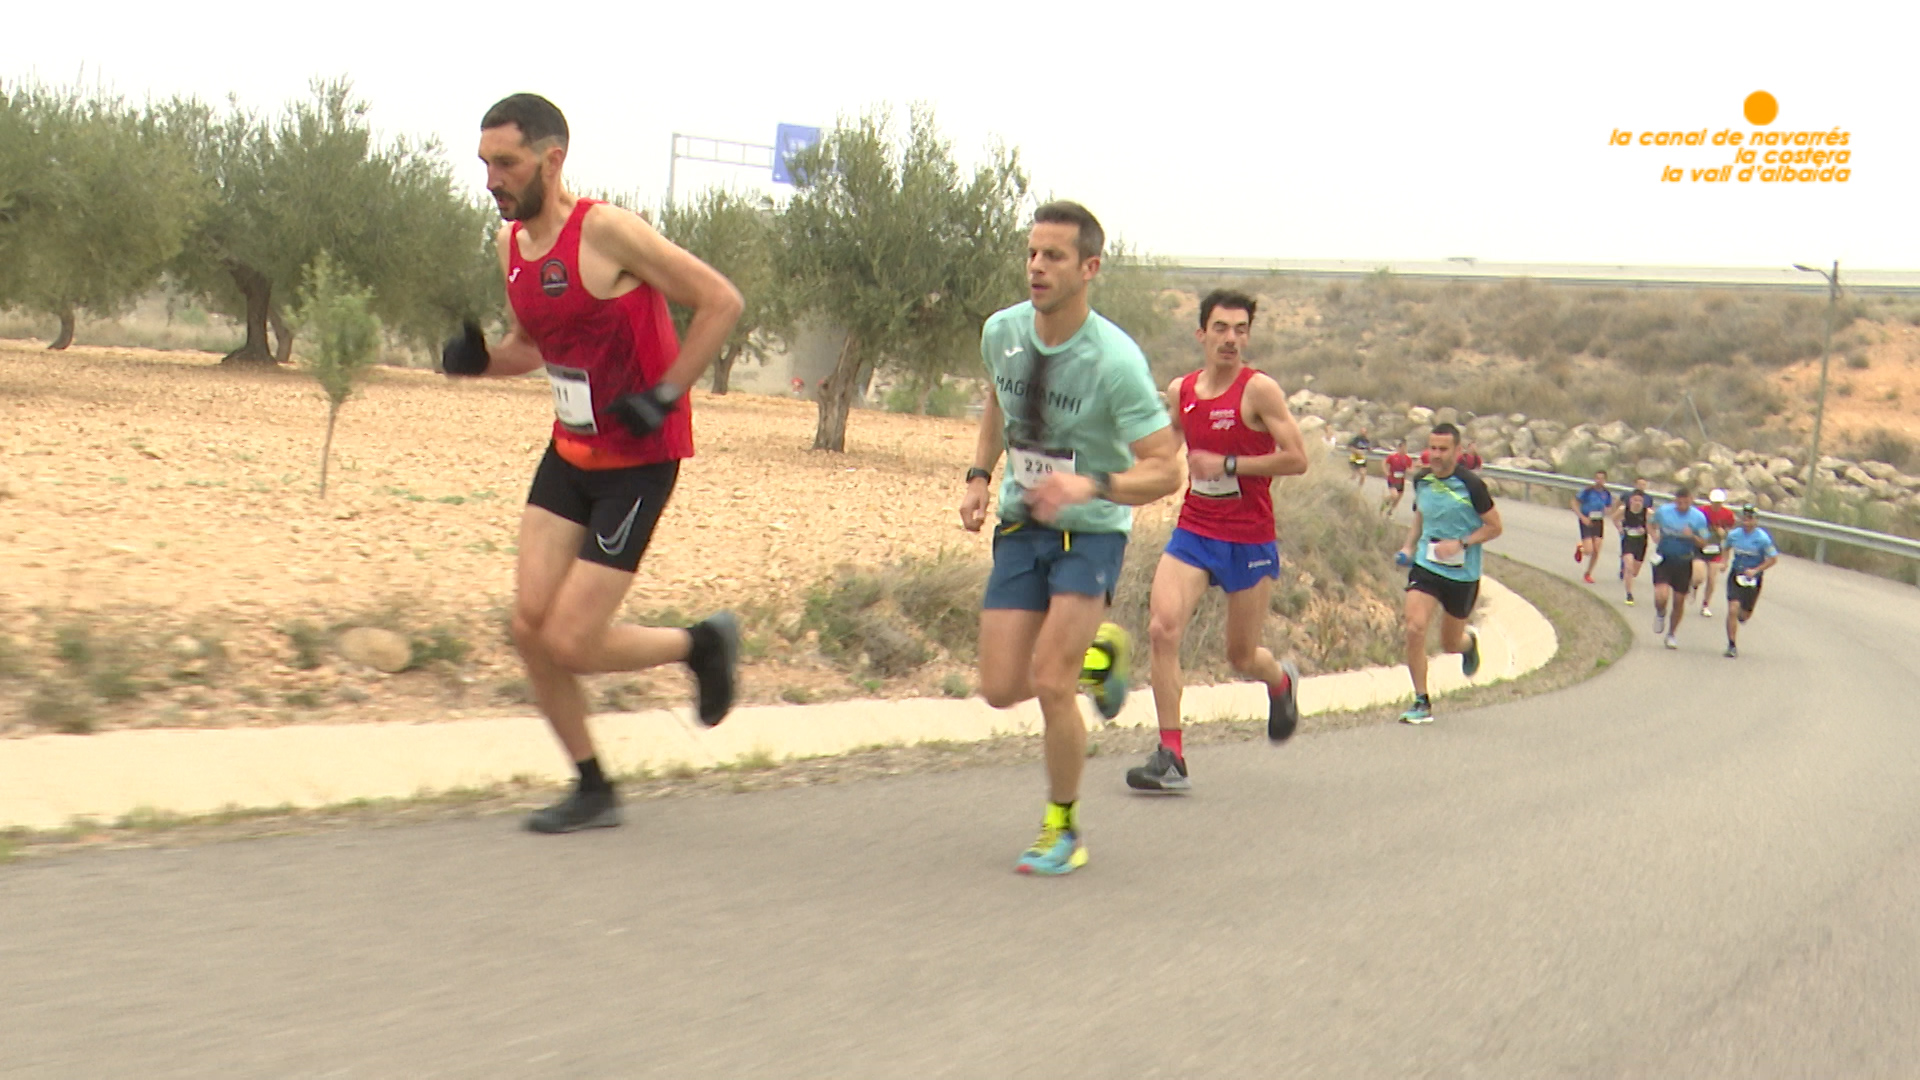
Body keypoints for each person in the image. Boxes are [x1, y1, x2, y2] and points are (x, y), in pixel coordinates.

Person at [439, 94, 745, 833]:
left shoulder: (606, 232)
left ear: (552, 159)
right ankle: (592, 785)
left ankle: (700, 643)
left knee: (571, 640)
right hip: (570, 453)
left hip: (640, 460)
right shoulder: (512, 247)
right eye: (484, 165)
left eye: (506, 164)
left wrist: (666, 392)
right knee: (528, 625)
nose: (492, 181)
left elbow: (721, 302)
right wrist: (481, 363)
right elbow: (532, 347)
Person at [958, 201, 1180, 874]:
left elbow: (1165, 468)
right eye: (1031, 253)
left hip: (1090, 534)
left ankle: (1063, 829)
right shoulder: (1002, 332)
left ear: (1089, 268)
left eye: (1053, 256)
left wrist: (1091, 486)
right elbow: (999, 399)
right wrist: (977, 474)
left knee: (1049, 682)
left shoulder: (1114, 362)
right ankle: (1099, 658)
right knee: (1000, 687)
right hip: (1022, 524)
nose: (1036, 267)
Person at [1126, 289, 1309, 793]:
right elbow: (1167, 450)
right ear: (1201, 333)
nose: (1231, 339)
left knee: (1241, 656)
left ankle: (1281, 681)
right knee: (1162, 629)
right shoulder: (1181, 390)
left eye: (1241, 329)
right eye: (1222, 328)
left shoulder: (1259, 391)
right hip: (1195, 529)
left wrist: (1230, 464)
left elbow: (1297, 459)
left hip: (1249, 537)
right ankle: (1171, 756)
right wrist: (1122, 471)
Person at [1395, 423, 1502, 724]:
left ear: (1457, 451)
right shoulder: (1422, 480)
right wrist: (1408, 546)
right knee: (1415, 627)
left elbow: (1495, 526)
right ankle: (1421, 700)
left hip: (1462, 574)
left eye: (1444, 449)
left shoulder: (1471, 485)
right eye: (1433, 448)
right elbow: (1420, 515)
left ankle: (1468, 644)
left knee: (1449, 644)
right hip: (1427, 567)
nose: (1437, 455)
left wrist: (1461, 543)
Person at [1648, 487, 1710, 649]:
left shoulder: (1698, 518)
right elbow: (1651, 523)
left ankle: (1671, 634)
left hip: (1684, 562)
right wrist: (1653, 535)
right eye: (1679, 502)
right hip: (1664, 558)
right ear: (1675, 501)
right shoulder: (1664, 511)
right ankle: (1660, 612)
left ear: (1691, 500)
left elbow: (1704, 542)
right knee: (1661, 596)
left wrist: (1692, 536)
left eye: (1686, 502)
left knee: (1678, 600)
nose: (1682, 505)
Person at [1720, 504, 1779, 658]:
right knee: (1733, 608)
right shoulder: (1734, 535)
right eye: (1744, 518)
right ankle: (1731, 644)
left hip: (1753, 578)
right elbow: (1726, 548)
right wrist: (1724, 562)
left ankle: (1743, 615)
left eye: (1750, 518)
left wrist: (1756, 570)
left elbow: (1773, 559)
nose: (1747, 521)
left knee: (1744, 614)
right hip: (1736, 574)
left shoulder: (1762, 538)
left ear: (1756, 521)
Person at [1693, 488, 1737, 617]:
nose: (1716, 505)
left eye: (1719, 502)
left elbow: (1730, 535)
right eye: (1714, 502)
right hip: (1700, 548)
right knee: (1698, 577)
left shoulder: (1728, 514)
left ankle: (1705, 605)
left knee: (1712, 579)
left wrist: (1724, 533)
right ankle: (1694, 586)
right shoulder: (1701, 511)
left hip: (1716, 549)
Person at [1610, 487, 1652, 606]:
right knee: (1629, 567)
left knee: (1635, 571)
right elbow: (1614, 518)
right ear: (1630, 500)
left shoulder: (1647, 512)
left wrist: (1646, 529)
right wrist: (1620, 529)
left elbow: (1656, 524)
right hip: (1628, 540)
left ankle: (1628, 575)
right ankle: (1629, 594)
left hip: (1641, 542)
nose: (1637, 503)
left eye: (1640, 500)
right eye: (1635, 500)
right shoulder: (1624, 510)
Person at [1571, 469, 1612, 584]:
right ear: (1594, 479)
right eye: (1597, 478)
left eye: (1601, 479)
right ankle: (1581, 548)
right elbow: (1574, 503)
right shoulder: (1587, 491)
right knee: (1589, 550)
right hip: (1586, 519)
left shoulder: (1606, 493)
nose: (1599, 481)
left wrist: (1607, 511)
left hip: (1598, 521)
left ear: (1605, 480)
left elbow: (1609, 506)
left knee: (1597, 550)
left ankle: (1588, 573)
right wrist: (1582, 517)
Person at [1381, 439, 1414, 516]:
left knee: (1398, 498)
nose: (1404, 450)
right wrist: (1386, 472)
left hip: (1401, 481)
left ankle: (1390, 511)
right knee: (1394, 495)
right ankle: (1384, 503)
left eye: (1406, 448)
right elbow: (1384, 463)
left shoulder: (1407, 459)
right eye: (1403, 448)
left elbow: (1410, 469)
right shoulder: (1393, 457)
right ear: (1399, 448)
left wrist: (1410, 470)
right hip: (1392, 479)